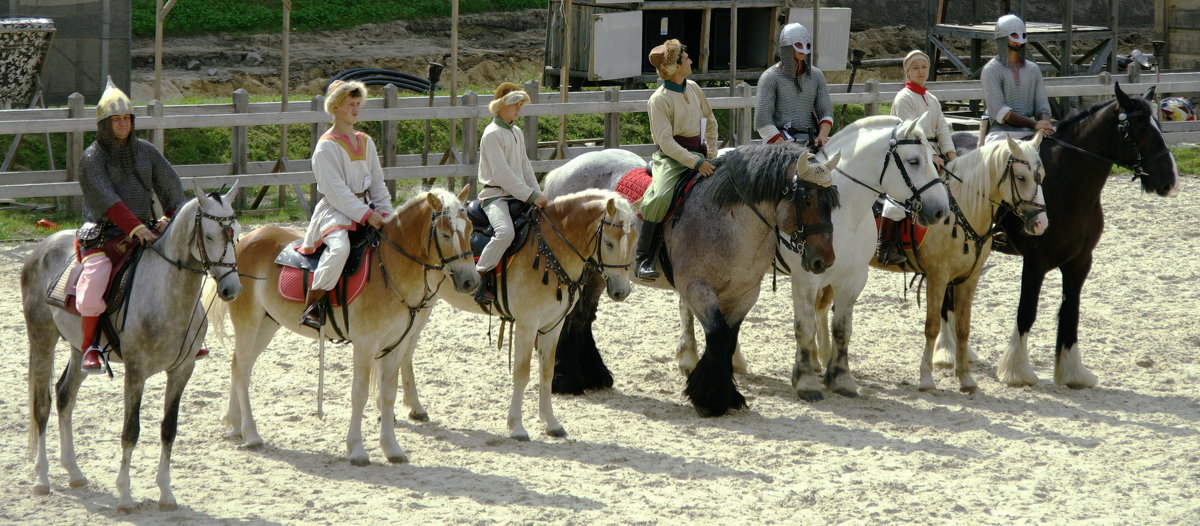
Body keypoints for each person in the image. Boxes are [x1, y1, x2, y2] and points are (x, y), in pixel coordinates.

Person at [76, 78, 186, 374]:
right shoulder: (92, 158)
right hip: (104, 235)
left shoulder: (146, 152)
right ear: (105, 124)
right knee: (94, 283)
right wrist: (136, 228)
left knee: (180, 269)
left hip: (147, 232)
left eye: (127, 118)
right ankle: (90, 346)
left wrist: (169, 217)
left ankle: (187, 336)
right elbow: (108, 201)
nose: (123, 124)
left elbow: (172, 188)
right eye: (117, 119)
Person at [297, 80, 394, 329]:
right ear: (336, 107)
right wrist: (366, 215)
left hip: (368, 207)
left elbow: (378, 182)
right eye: (350, 104)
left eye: (358, 103)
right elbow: (336, 192)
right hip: (336, 212)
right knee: (339, 250)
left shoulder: (366, 141)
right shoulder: (326, 146)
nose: (356, 109)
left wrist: (385, 211)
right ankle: (313, 304)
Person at [637, 38, 719, 280]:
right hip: (671, 159)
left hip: (701, 154)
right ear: (675, 66)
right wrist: (695, 163)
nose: (691, 60)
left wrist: (711, 154)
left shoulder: (693, 88)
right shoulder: (658, 100)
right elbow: (666, 142)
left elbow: (711, 121)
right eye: (687, 57)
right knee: (659, 198)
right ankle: (643, 259)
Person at [879, 49, 960, 266]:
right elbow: (912, 132)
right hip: (910, 154)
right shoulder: (904, 97)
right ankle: (884, 246)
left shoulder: (931, 98)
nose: (921, 71)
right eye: (915, 67)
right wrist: (931, 155)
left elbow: (942, 129)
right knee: (898, 199)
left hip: (932, 154)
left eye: (924, 67)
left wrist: (952, 156)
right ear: (907, 71)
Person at [474, 81, 545, 304]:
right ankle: (481, 277)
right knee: (505, 233)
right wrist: (531, 196)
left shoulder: (517, 132)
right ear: (499, 106)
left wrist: (539, 193)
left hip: (518, 194)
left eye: (520, 104)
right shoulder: (492, 134)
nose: (518, 108)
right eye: (514, 104)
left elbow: (525, 167)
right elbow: (503, 175)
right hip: (495, 196)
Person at [755, 23, 834, 149]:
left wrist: (822, 136)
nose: (803, 49)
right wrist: (785, 145)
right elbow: (763, 120)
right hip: (779, 145)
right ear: (787, 47)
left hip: (811, 140)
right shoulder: (770, 77)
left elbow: (825, 112)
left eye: (807, 44)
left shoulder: (816, 75)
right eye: (798, 44)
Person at [981, 14, 1054, 143]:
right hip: (1001, 134)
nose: (1018, 39)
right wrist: (1034, 124)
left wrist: (1046, 124)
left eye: (1022, 35)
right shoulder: (991, 70)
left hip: (1030, 132)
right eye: (1013, 35)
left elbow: (1042, 106)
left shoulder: (1033, 69)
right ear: (1002, 37)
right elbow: (999, 111)